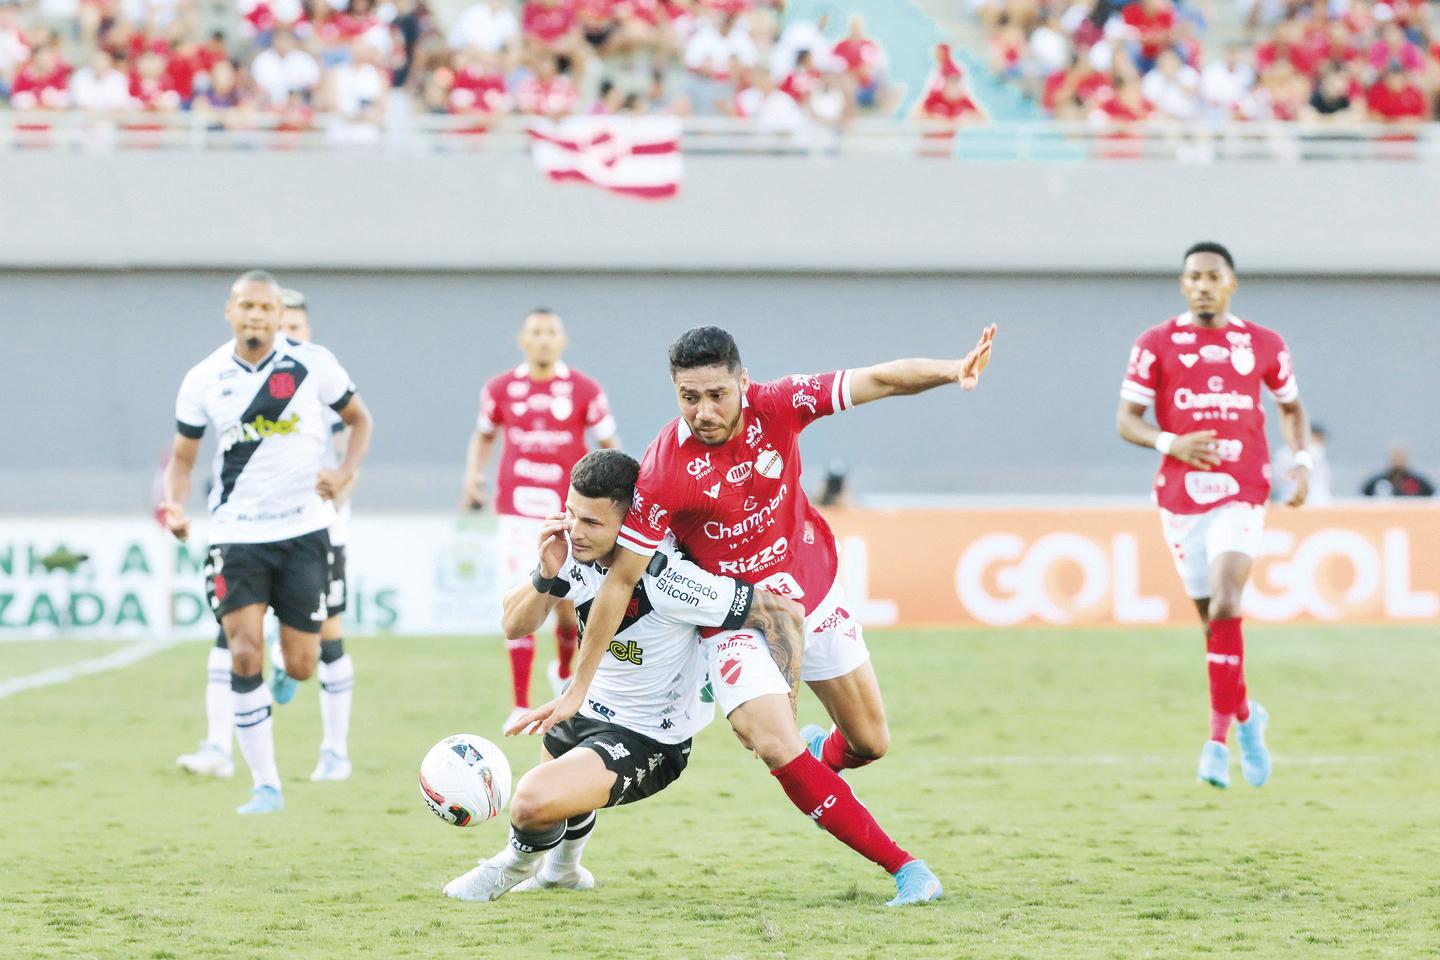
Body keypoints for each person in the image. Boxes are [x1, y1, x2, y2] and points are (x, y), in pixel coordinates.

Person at [511, 323, 997, 904]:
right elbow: (621, 581)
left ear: (743, 381)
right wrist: (576, 689)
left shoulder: (780, 404)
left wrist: (953, 370)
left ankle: (823, 756)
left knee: (869, 743)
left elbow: (878, 379)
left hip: (810, 588)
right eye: (689, 397)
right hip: (736, 615)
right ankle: (907, 868)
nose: (703, 410)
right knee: (769, 740)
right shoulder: (663, 468)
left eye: (717, 394)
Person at [445, 449, 804, 901]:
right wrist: (545, 573)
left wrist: (783, 710)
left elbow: (781, 613)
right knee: (556, 794)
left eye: (592, 522)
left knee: (532, 799)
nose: (575, 531)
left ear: (630, 521)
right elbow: (514, 625)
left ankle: (511, 868)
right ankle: (562, 873)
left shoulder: (670, 578)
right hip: (581, 711)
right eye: (571, 514)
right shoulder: (573, 550)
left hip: (650, 739)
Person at [161, 271, 373, 814]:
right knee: (243, 650)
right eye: (246, 306)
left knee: (304, 664)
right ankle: (266, 785)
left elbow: (359, 419)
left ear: (280, 316)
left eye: (265, 308)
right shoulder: (204, 377)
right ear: (229, 311)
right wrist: (175, 505)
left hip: (304, 532)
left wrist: (345, 472)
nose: (256, 316)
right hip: (237, 536)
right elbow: (183, 458)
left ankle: (288, 670)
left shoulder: (314, 363)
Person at [1116, 241, 1310, 790]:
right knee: (1213, 626)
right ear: (1184, 285)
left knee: (1228, 600)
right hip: (1179, 499)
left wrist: (1299, 463)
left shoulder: (1264, 343)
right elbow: (1127, 420)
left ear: (1231, 283)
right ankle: (1249, 717)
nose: (1203, 284)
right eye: (1193, 276)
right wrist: (1171, 442)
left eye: (1213, 276)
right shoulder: (1155, 343)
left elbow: (1291, 405)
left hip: (1244, 489)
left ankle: (1216, 741)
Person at [461, 308, 620, 734]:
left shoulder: (584, 389)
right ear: (523, 339)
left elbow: (609, 445)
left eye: (551, 332)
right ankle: (518, 702)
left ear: (562, 340)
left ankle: (564, 672)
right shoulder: (500, 389)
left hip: (569, 513)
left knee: (568, 606)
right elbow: (484, 434)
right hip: (516, 510)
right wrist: (473, 477)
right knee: (524, 593)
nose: (544, 339)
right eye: (536, 332)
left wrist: (623, 498)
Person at [1361, 444, 1435, 497]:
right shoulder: (1376, 483)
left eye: (1400, 458)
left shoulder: (1420, 483)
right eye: (1395, 458)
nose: (1398, 462)